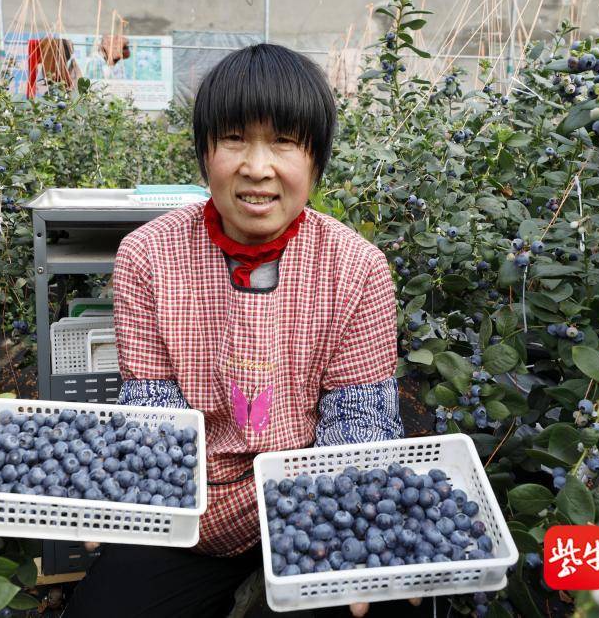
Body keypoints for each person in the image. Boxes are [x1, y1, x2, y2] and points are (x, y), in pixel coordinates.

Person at [65, 43, 430, 617]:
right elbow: (154, 407)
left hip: (309, 496)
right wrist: (132, 493)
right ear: (204, 152)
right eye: (234, 139)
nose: (257, 167)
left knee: (380, 597)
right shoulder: (149, 256)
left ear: (315, 159)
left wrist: (348, 527)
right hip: (193, 501)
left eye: (283, 141)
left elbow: (357, 419)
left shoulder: (354, 267)